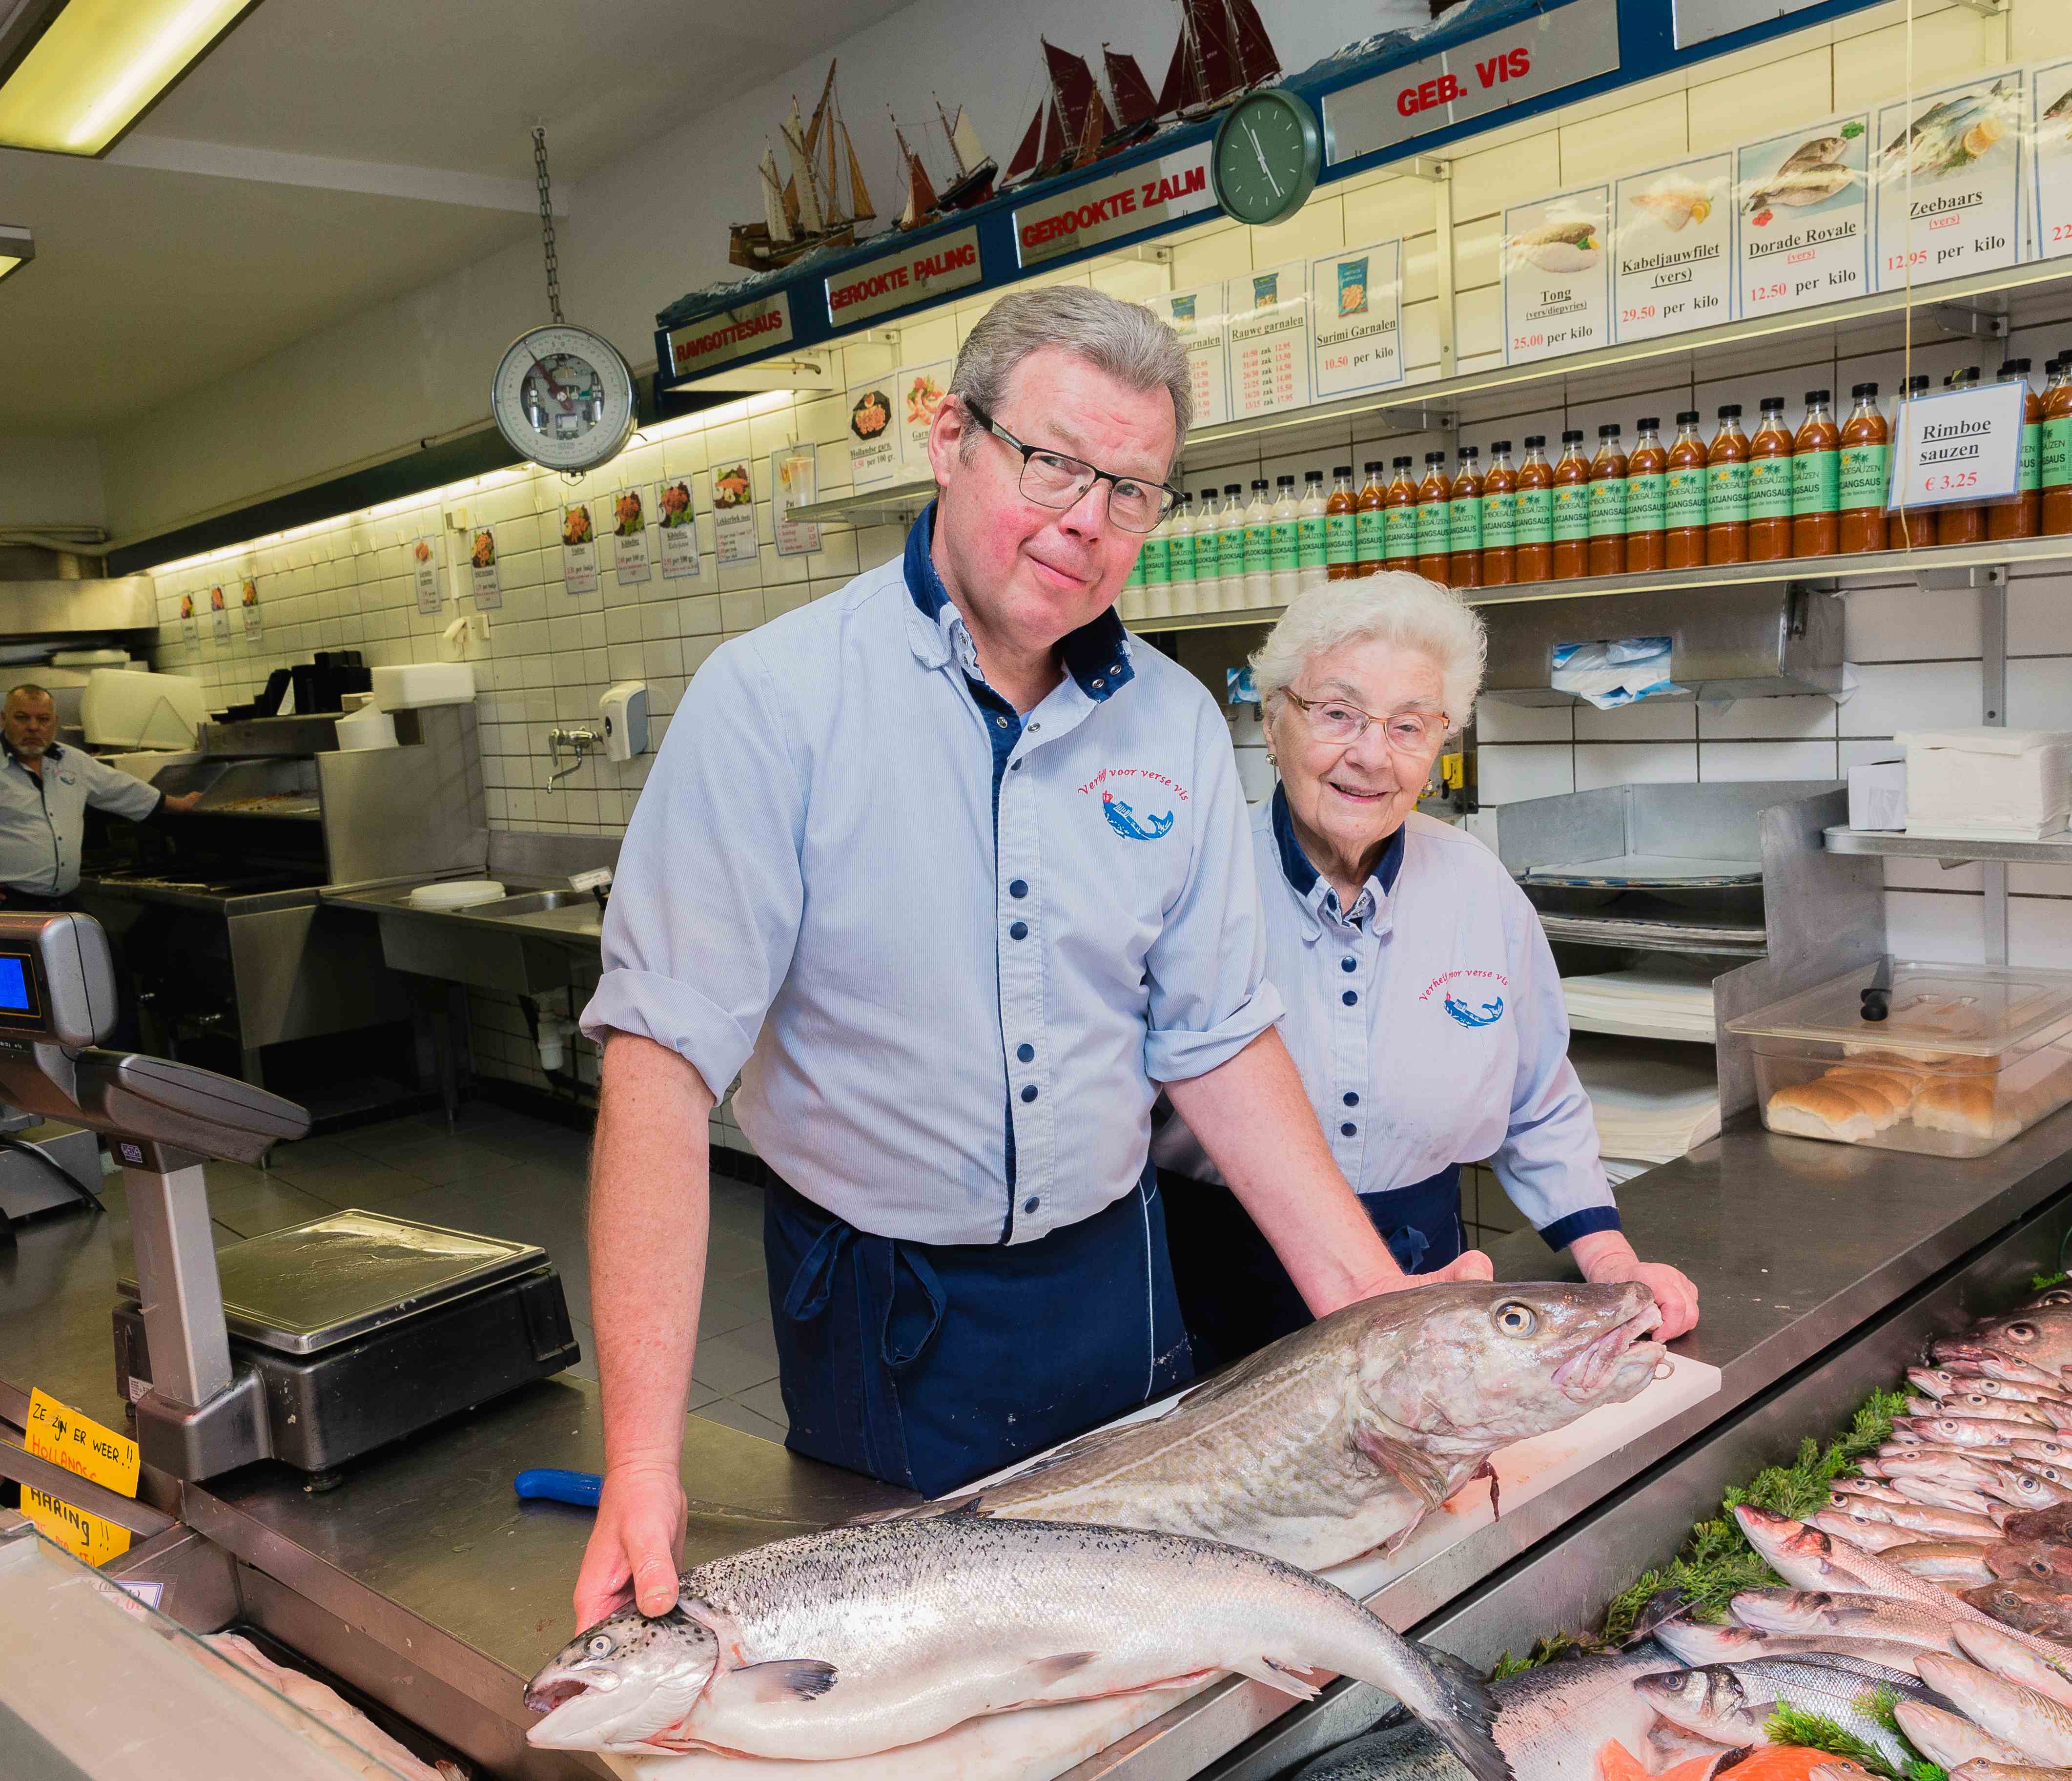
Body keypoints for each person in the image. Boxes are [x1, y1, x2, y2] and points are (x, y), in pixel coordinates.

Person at [572, 288, 1492, 1628]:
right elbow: (659, 1068)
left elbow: (1216, 1039)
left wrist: (1371, 1310)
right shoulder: (775, 702)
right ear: (951, 440)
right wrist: (643, 1462)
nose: (1085, 521)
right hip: (886, 1297)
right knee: (928, 1659)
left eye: (1131, 492)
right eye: (1052, 464)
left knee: (1137, 1627)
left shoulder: (1174, 723)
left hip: (1114, 1277)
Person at [1154, 574, 1701, 1372]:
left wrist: (1612, 1262)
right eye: (1337, 713)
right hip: (1215, 1293)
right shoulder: (1194, 880)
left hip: (1430, 1296)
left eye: (1408, 725)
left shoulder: (1477, 885)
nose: (1371, 755)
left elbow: (1538, 1101)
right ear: (1272, 721)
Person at [0, 683, 199, 911]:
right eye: (22, 718)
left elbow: (120, 789)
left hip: (63, 902)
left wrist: (179, 804)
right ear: (4, 720)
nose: (33, 727)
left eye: (43, 719)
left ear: (54, 723)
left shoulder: (72, 761)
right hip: (4, 904)